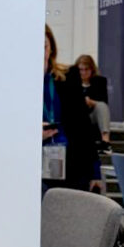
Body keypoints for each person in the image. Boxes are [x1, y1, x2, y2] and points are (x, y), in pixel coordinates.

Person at [43, 26, 101, 193]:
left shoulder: (69, 75)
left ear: (51, 48)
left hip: (72, 160)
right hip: (34, 162)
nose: (41, 52)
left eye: (44, 46)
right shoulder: (18, 82)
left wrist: (95, 171)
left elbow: (84, 124)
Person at [75, 53, 110, 146]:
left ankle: (105, 141)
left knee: (101, 105)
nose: (83, 72)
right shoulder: (71, 82)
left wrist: (91, 102)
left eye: (86, 69)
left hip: (92, 115)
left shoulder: (100, 81)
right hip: (77, 116)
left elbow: (104, 103)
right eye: (81, 69)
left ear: (92, 69)